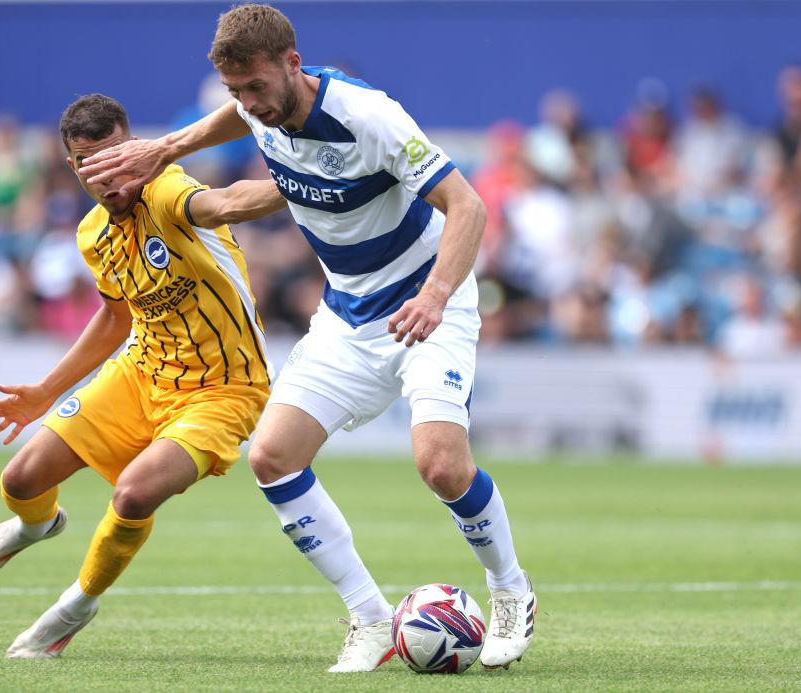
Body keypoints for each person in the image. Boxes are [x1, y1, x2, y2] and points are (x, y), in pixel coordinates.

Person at [78, 4, 535, 673]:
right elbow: (238, 114)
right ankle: (370, 616)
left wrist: (436, 294)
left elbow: (469, 205)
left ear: (294, 65)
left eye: (257, 86)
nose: (249, 105)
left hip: (423, 301)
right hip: (346, 313)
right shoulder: (256, 108)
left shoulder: (368, 115)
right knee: (272, 456)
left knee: (440, 464)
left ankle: (511, 591)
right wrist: (170, 146)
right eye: (237, 91)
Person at [0, 93, 284, 658]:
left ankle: (74, 608)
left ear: (137, 148)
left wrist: (304, 186)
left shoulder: (167, 191)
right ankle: (36, 527)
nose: (109, 176)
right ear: (72, 166)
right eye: (91, 164)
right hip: (141, 373)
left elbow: (225, 203)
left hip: (222, 389)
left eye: (118, 157)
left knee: (134, 495)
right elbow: (115, 318)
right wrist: (45, 391)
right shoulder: (92, 234)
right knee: (20, 481)